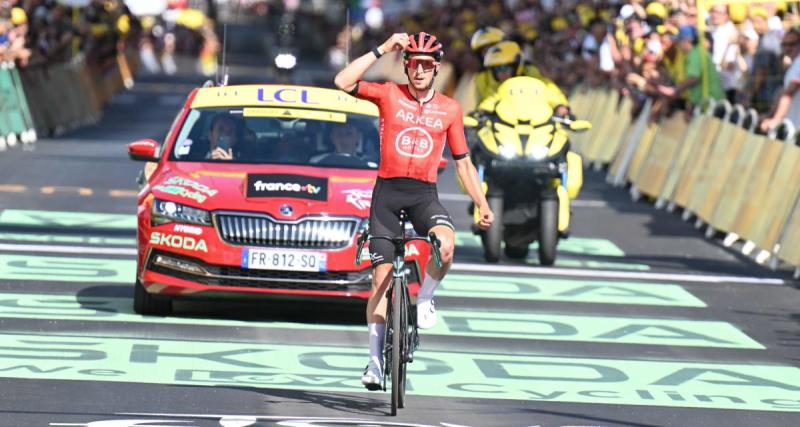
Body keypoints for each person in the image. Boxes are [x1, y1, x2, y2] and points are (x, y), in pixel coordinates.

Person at [334, 31, 494, 390]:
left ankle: (425, 297)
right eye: (413, 63)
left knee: (446, 245)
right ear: (405, 65)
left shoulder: (450, 108)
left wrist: (482, 203)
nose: (419, 70)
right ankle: (375, 362)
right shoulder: (389, 93)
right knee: (381, 279)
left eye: (426, 65)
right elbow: (343, 82)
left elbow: (464, 165)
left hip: (424, 194)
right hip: (387, 193)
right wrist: (383, 48)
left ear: (436, 68)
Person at [479, 40, 569, 115]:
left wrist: (559, 106)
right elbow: (490, 101)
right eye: (496, 69)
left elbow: (550, 92)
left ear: (516, 66)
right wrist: (480, 113)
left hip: (538, 126)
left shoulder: (535, 81)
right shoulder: (497, 89)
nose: (501, 73)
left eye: (505, 68)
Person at [760, 28, 800, 132]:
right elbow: (784, 92)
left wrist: (775, 120)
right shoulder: (794, 64)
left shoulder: (798, 64)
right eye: (784, 44)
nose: (787, 48)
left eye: (792, 44)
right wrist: (770, 114)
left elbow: (788, 93)